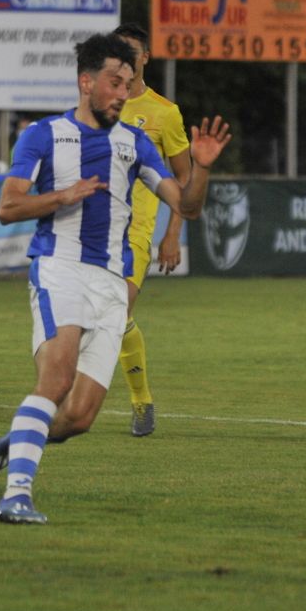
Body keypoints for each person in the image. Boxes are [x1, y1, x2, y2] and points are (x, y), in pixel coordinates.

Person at [0, 33, 232, 524]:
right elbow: (8, 207)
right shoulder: (43, 135)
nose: (124, 93)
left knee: (78, 418)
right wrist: (61, 196)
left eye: (128, 84)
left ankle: (21, 435)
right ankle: (16, 496)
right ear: (86, 82)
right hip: (60, 268)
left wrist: (200, 170)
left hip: (112, 284)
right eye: (115, 84)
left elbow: (186, 206)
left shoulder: (135, 142)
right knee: (55, 380)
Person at [111, 23, 191, 437]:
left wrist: (172, 232)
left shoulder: (164, 112)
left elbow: (184, 177)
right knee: (87, 318)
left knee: (119, 310)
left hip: (134, 231)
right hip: (90, 230)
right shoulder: (98, 103)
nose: (125, 58)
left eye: (132, 51)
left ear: (145, 57)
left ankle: (142, 403)